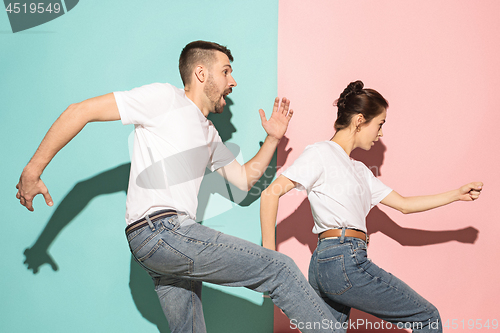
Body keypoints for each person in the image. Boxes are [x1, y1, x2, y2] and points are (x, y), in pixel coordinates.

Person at [16, 40, 343, 333]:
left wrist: (272, 138)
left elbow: (243, 180)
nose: (233, 82)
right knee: (279, 268)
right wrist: (33, 169)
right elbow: (81, 111)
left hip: (163, 245)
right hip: (160, 230)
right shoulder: (164, 98)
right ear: (202, 74)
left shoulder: (209, 133)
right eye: (226, 71)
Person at [260, 80, 483, 332]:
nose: (381, 133)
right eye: (380, 124)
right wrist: (272, 263)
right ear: (359, 121)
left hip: (328, 266)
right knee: (427, 317)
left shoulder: (360, 171)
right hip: (342, 260)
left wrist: (456, 194)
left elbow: (404, 205)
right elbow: (270, 195)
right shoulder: (321, 153)